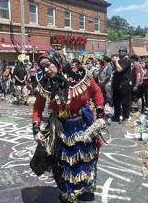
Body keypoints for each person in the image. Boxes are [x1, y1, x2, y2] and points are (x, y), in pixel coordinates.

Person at [32, 51, 106, 203]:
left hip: (82, 124)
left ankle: (84, 189)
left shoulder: (80, 75)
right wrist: (36, 129)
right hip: (59, 127)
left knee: (85, 159)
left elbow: (96, 92)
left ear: (58, 62)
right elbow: (38, 107)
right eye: (42, 67)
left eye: (48, 65)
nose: (45, 70)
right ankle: (67, 192)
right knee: (61, 162)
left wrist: (100, 116)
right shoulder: (45, 83)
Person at [111, 46, 131, 124]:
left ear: (126, 52)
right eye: (119, 51)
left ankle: (125, 117)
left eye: (123, 51)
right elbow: (115, 71)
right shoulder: (119, 61)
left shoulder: (127, 61)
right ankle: (116, 115)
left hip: (124, 84)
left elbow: (119, 69)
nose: (121, 52)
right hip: (117, 84)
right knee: (116, 101)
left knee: (125, 102)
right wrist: (115, 62)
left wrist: (116, 61)